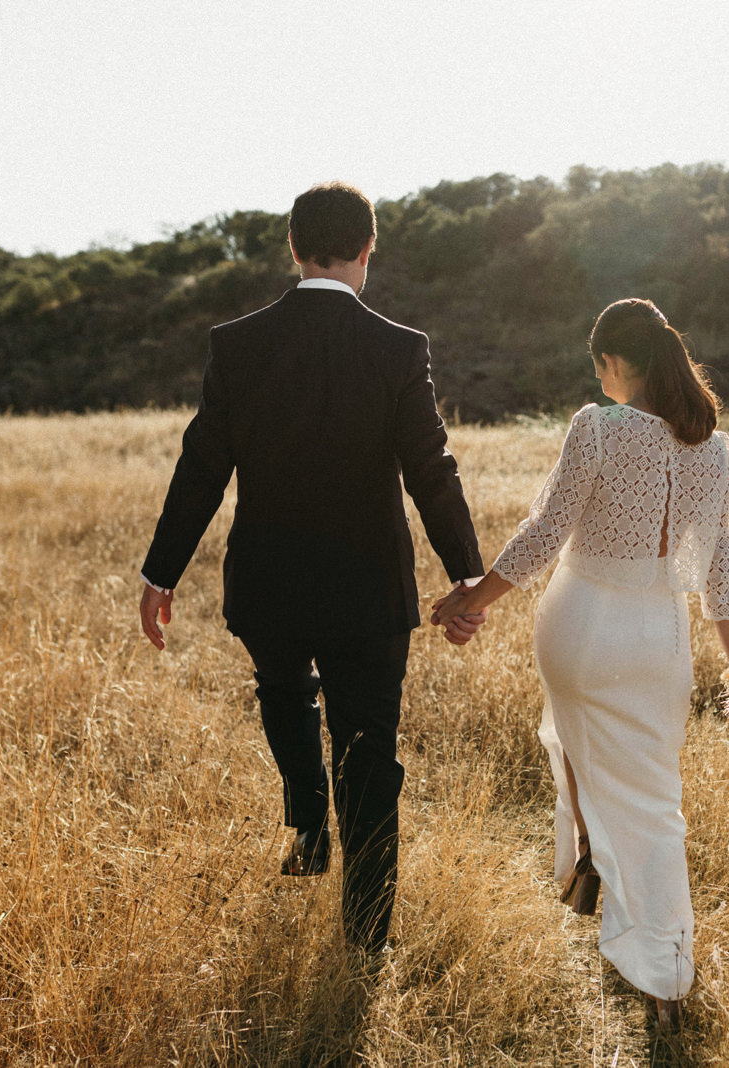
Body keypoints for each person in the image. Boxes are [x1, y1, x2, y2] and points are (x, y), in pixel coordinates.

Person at [137, 181, 485, 955]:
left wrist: (161, 573)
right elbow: (433, 470)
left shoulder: (238, 343)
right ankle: (365, 937)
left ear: (293, 250)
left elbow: (203, 466)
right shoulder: (401, 348)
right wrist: (468, 574)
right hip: (369, 590)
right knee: (370, 750)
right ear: (368, 252)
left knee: (282, 690)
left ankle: (306, 819)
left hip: (270, 583)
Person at [429, 298, 729, 1030]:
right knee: (652, 795)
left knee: (581, 749)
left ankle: (645, 941)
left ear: (614, 362)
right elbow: (720, 565)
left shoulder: (599, 425)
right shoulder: (715, 450)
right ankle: (642, 933)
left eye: (600, 368)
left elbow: (546, 531)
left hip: (583, 628)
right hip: (661, 641)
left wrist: (473, 596)